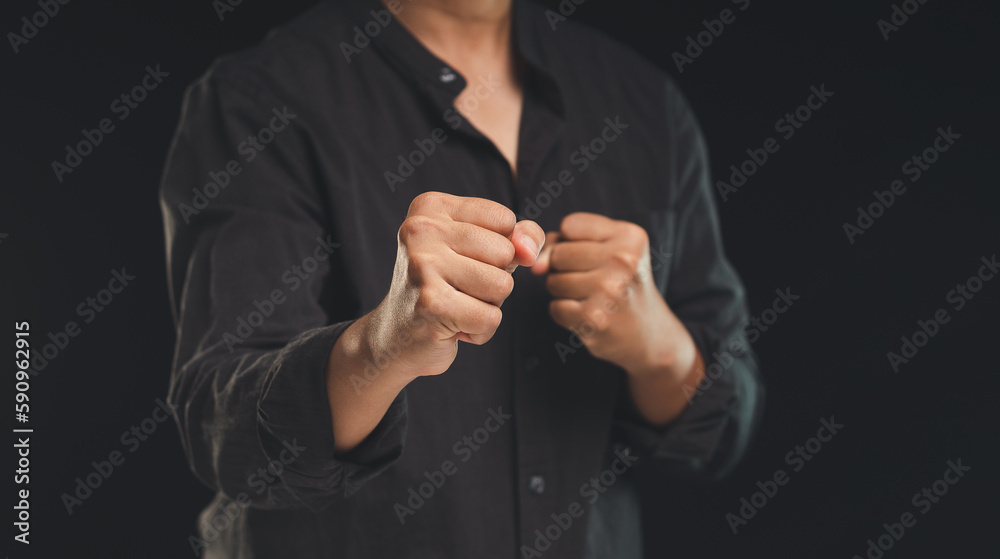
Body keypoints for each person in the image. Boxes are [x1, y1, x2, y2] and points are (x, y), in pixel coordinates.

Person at [158, 0, 763, 557]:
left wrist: (658, 347)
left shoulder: (645, 105)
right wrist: (383, 347)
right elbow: (223, 431)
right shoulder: (257, 100)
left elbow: (725, 426)